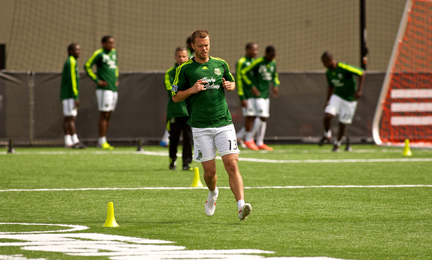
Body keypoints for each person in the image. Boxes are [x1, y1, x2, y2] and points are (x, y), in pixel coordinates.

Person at [172, 30, 252, 221]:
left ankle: (241, 206)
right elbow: (175, 97)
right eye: (200, 45)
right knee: (210, 173)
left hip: (224, 123)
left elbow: (231, 83)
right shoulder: (184, 69)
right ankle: (213, 193)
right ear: (193, 46)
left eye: (207, 45)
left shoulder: (220, 64)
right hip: (200, 127)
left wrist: (230, 86)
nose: (204, 48)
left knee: (232, 165)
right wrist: (192, 90)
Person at [319, 51, 365, 152]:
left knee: (342, 124)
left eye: (324, 62)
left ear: (330, 60)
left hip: (349, 100)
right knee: (327, 116)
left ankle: (337, 144)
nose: (324, 65)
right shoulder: (328, 72)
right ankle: (327, 135)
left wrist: (359, 90)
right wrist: (327, 100)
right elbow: (330, 86)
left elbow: (362, 73)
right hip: (337, 96)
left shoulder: (343, 67)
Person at [241, 46, 280, 151]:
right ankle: (249, 139)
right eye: (271, 56)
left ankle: (260, 142)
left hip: (266, 95)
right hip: (257, 95)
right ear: (266, 53)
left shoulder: (273, 63)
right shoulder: (258, 62)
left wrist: (275, 85)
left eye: (274, 56)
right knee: (262, 116)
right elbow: (243, 72)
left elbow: (275, 75)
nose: (272, 58)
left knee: (264, 119)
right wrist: (251, 86)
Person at [84, 36, 119, 150]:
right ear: (103, 44)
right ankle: (101, 140)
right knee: (104, 114)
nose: (112, 45)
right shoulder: (99, 53)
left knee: (109, 114)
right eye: (109, 43)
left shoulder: (114, 53)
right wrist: (97, 80)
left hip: (113, 88)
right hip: (104, 90)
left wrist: (116, 78)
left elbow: (116, 67)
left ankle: (104, 140)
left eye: (113, 43)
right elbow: (87, 66)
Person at [165, 47, 193, 170]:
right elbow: (172, 90)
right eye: (179, 56)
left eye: (184, 56)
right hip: (175, 112)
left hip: (189, 112)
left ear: (188, 57)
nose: (181, 59)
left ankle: (186, 163)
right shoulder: (170, 73)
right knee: (174, 138)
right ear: (175, 58)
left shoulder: (192, 72)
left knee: (188, 138)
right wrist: (189, 90)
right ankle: (172, 161)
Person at [60, 43, 86, 149]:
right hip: (69, 95)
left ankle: (68, 141)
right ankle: (75, 141)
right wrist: (75, 96)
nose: (79, 52)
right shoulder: (71, 61)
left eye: (79, 50)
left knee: (67, 118)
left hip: (66, 95)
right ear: (70, 51)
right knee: (71, 118)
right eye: (77, 50)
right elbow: (72, 80)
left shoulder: (71, 61)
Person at [235, 43, 259, 149]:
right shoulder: (241, 62)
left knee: (254, 116)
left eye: (256, 50)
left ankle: (239, 137)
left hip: (255, 95)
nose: (256, 52)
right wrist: (242, 96)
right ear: (247, 50)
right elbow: (239, 79)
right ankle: (248, 140)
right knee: (249, 116)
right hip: (246, 95)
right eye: (253, 50)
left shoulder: (255, 62)